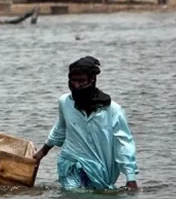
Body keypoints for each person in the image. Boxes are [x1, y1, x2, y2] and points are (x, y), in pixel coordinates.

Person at [32, 56, 139, 191]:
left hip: (100, 169)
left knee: (96, 198)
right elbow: (60, 128)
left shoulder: (112, 110)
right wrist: (42, 152)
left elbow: (124, 143)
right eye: (73, 80)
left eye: (81, 81)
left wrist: (130, 178)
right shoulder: (65, 102)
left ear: (92, 80)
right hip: (70, 162)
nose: (76, 85)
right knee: (73, 194)